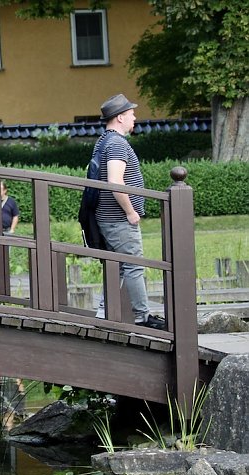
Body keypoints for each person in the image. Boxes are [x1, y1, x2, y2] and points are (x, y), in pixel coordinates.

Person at [93, 94, 165, 330]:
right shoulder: (116, 144)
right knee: (134, 264)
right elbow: (115, 182)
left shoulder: (104, 141)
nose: (135, 117)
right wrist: (131, 211)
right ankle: (143, 316)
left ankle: (104, 312)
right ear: (121, 117)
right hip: (118, 218)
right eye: (132, 113)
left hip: (107, 217)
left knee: (120, 265)